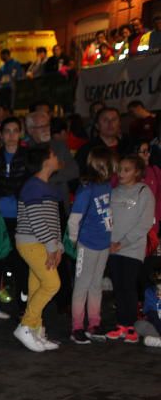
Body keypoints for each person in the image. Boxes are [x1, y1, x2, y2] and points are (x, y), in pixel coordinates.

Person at [13, 145, 63, 352]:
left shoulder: (47, 187)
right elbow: (36, 221)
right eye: (54, 153)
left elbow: (54, 221)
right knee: (52, 284)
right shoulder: (33, 186)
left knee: (37, 285)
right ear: (45, 161)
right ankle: (25, 325)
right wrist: (52, 246)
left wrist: (57, 246)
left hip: (42, 243)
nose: (57, 156)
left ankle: (35, 328)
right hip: (31, 242)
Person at [105, 155, 156, 343]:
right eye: (120, 169)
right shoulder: (114, 192)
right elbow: (108, 219)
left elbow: (144, 224)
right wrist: (109, 242)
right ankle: (122, 325)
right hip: (113, 248)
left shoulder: (143, 192)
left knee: (128, 286)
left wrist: (123, 242)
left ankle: (131, 325)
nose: (121, 173)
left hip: (132, 248)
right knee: (118, 286)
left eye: (126, 170)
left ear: (137, 172)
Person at [68, 147, 115, 344]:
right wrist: (75, 241)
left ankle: (94, 322)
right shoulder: (86, 190)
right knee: (82, 285)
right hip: (87, 244)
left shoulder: (106, 187)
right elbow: (74, 219)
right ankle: (77, 326)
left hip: (103, 244)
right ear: (103, 167)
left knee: (96, 285)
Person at [0, 116, 29, 316]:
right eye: (7, 131)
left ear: (21, 133)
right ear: (2, 135)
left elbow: (27, 186)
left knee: (22, 262)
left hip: (21, 216)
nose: (11, 135)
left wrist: (4, 185)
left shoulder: (28, 157)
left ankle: (23, 305)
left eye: (15, 130)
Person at [76, 107, 128, 176]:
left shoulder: (127, 146)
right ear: (97, 125)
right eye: (105, 120)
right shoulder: (87, 150)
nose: (110, 123)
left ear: (119, 123)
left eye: (114, 119)